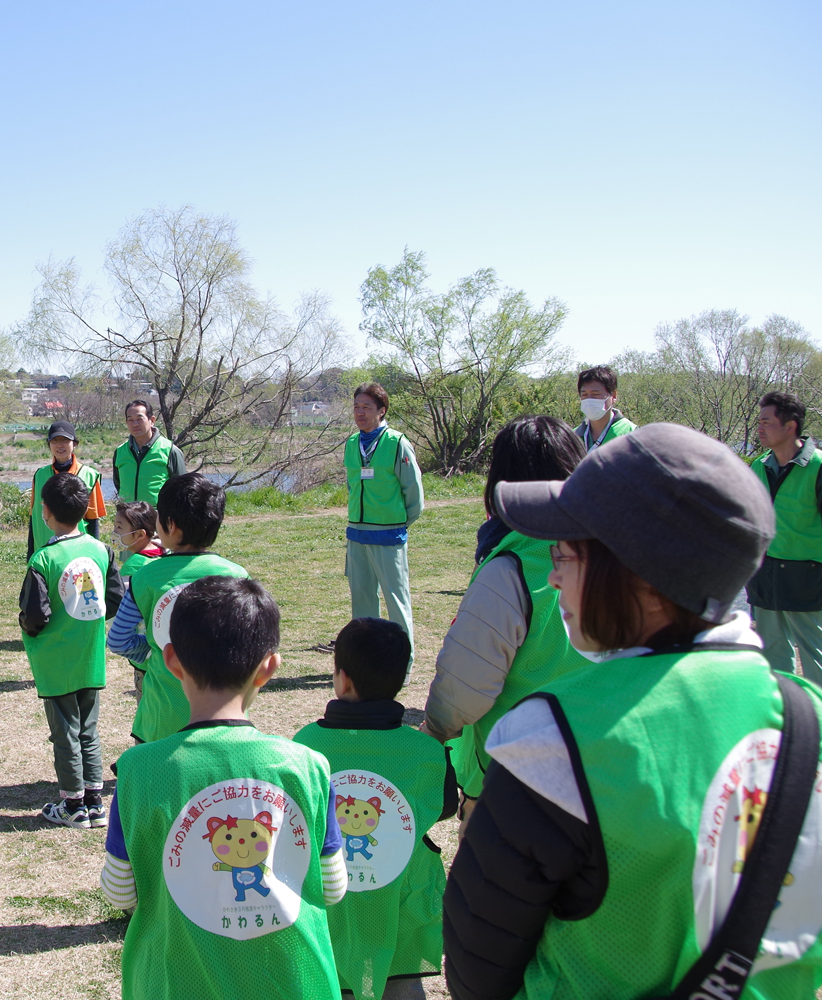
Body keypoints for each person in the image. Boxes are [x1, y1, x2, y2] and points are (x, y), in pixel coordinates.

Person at [444, 423, 822, 1000]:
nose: (553, 574)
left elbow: (478, 964)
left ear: (642, 582)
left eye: (567, 553)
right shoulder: (807, 716)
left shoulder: (553, 737)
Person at [101, 576, 347, 1000]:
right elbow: (332, 887)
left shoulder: (138, 770)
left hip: (172, 982)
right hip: (292, 981)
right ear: (269, 667)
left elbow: (119, 891)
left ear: (172, 660)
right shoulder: (308, 766)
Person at [421, 416, 589, 813]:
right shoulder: (613, 549)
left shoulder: (511, 565)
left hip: (514, 775)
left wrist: (434, 730)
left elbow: (468, 680)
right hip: (599, 764)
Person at [294, 618, 456, 1000]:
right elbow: (445, 808)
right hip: (404, 898)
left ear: (342, 678)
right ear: (400, 680)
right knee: (402, 983)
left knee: (333, 984)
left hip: (331, 904)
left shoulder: (305, 745)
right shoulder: (427, 753)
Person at [107, 473, 248, 744]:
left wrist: (153, 651)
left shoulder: (146, 577)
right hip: (225, 716)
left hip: (162, 715)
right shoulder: (238, 576)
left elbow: (118, 639)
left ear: (169, 525)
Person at [19, 473, 124, 828]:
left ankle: (73, 804)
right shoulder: (100, 550)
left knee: (64, 731)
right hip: (90, 653)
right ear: (83, 512)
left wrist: (25, 625)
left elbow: (35, 615)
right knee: (89, 729)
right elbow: (114, 599)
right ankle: (95, 802)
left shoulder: (43, 559)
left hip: (57, 658)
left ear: (44, 511)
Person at [338, 383, 423, 668]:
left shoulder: (397, 443)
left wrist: (397, 522)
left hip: (388, 535)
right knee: (362, 601)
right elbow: (352, 485)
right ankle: (364, 662)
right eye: (356, 407)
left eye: (367, 407)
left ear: (382, 410)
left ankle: (403, 664)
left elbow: (415, 495)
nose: (360, 413)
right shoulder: (351, 443)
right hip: (357, 534)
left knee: (396, 602)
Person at [747, 390, 822, 684]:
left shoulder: (818, 467)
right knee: (773, 660)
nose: (760, 428)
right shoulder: (758, 466)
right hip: (765, 576)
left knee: (815, 658)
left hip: (807, 577)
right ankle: (788, 722)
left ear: (790, 426)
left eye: (766, 422)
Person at [24, 420, 107, 556]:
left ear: (74, 444)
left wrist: (94, 553)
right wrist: (30, 553)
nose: (59, 445)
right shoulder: (39, 475)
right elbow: (34, 518)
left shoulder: (90, 475)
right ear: (49, 444)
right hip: (45, 551)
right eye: (55, 441)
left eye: (65, 440)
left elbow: (93, 520)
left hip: (79, 551)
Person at [110, 500, 162, 700]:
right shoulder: (164, 554)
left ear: (140, 534)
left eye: (119, 527)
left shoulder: (134, 566)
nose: (114, 532)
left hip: (145, 655)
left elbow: (125, 608)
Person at [111, 400, 187, 505]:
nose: (135, 424)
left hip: (157, 518)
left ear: (151, 420)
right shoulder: (120, 452)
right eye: (130, 420)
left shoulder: (170, 450)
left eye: (139, 419)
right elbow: (119, 485)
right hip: (127, 517)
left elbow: (182, 489)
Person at [575, 365, 635, 453]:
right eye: (584, 395)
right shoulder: (573, 437)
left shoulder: (631, 433)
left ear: (613, 396)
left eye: (596, 394)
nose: (589, 400)